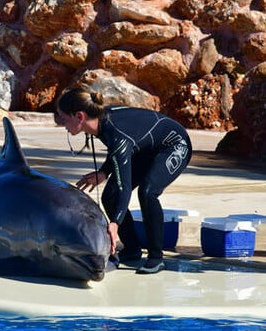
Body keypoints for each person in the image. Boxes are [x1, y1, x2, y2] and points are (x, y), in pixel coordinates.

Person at [55, 88, 192, 274]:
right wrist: (104, 172)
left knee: (147, 192)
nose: (61, 124)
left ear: (80, 116)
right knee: (109, 196)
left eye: (63, 118)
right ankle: (132, 249)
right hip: (145, 149)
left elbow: (124, 185)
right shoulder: (102, 123)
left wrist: (115, 223)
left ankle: (156, 257)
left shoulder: (115, 132)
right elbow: (120, 150)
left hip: (174, 145)